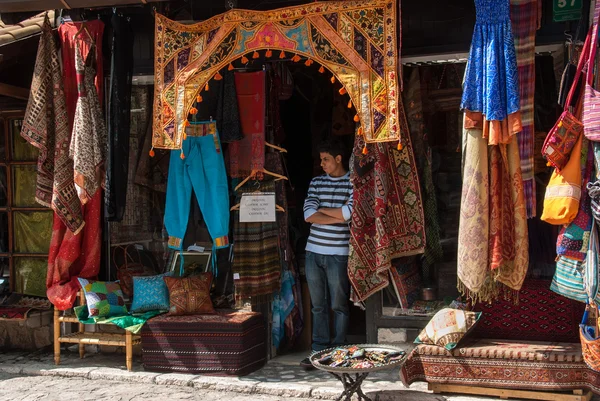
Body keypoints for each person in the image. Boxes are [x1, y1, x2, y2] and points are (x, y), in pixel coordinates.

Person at [300, 139, 353, 369]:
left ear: (338, 158)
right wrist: (335, 215)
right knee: (318, 306)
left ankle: (339, 350)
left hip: (338, 253)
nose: (322, 164)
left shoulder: (353, 182)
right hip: (313, 252)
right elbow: (308, 215)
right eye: (321, 160)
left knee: (339, 304)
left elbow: (349, 213)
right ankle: (318, 352)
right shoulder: (316, 182)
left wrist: (324, 210)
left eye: (326, 159)